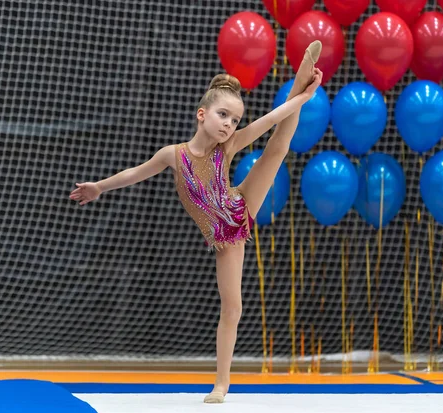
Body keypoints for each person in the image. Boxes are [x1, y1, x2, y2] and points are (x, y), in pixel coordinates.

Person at [69, 40, 322, 403]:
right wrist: (99, 187)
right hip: (225, 236)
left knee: (278, 148)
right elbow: (133, 174)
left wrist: (303, 96)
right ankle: (221, 380)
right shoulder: (173, 155)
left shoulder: (228, 146)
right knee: (231, 307)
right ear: (202, 114)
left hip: (239, 207)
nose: (230, 125)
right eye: (224, 116)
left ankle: (300, 76)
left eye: (235, 120)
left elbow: (269, 122)